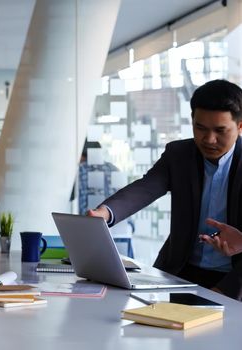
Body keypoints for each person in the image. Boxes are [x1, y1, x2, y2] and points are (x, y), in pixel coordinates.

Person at [89, 79, 242, 300]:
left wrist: (224, 292)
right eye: (200, 128)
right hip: (183, 275)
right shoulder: (179, 155)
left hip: (234, 280)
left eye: (220, 130)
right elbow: (146, 187)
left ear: (239, 126)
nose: (209, 139)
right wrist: (105, 213)